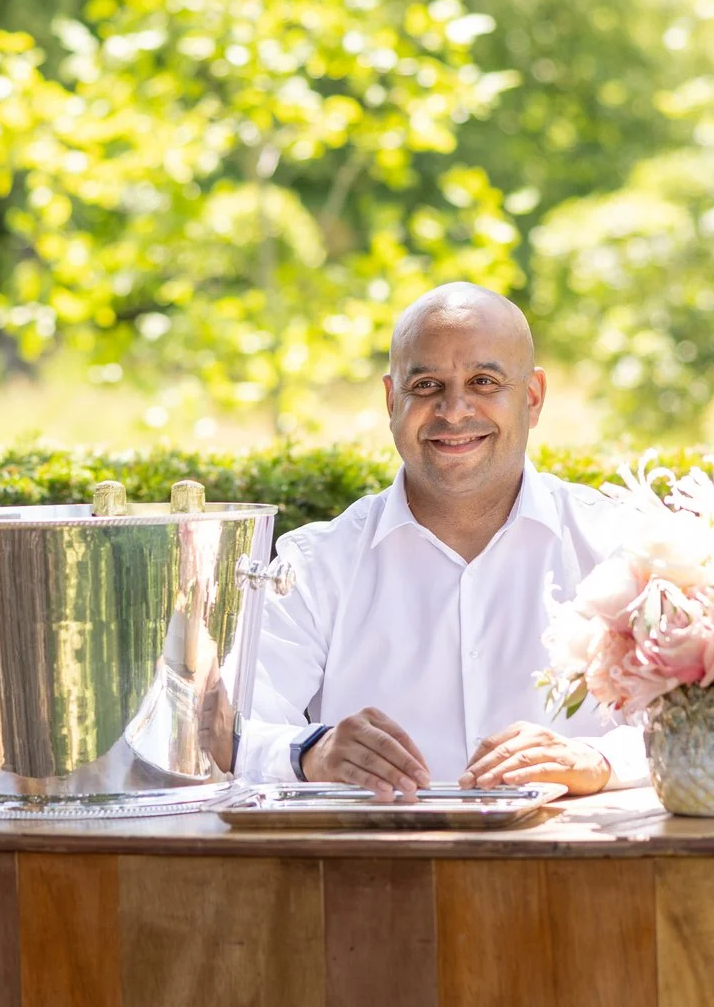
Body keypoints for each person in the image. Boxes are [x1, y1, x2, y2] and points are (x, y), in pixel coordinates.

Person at [236, 282, 644, 798]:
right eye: (426, 385)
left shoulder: (619, 549)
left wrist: (599, 759)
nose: (454, 411)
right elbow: (231, 732)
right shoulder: (318, 565)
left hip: (577, 867)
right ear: (391, 401)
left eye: (483, 381)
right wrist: (310, 752)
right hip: (374, 870)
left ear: (533, 398)